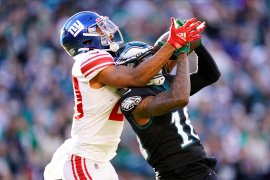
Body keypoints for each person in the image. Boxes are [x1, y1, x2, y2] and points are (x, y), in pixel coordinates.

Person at [43, 11, 206, 180]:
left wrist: (178, 38)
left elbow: (157, 65)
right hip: (86, 157)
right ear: (86, 39)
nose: (107, 31)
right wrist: (173, 43)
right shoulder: (88, 58)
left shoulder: (108, 59)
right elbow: (136, 77)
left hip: (100, 160)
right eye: (98, 29)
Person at [116, 34, 220, 179]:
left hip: (198, 167)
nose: (155, 61)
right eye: (147, 59)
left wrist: (197, 44)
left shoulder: (164, 82)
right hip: (172, 173)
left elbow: (210, 75)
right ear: (132, 67)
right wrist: (182, 53)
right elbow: (179, 98)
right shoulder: (132, 99)